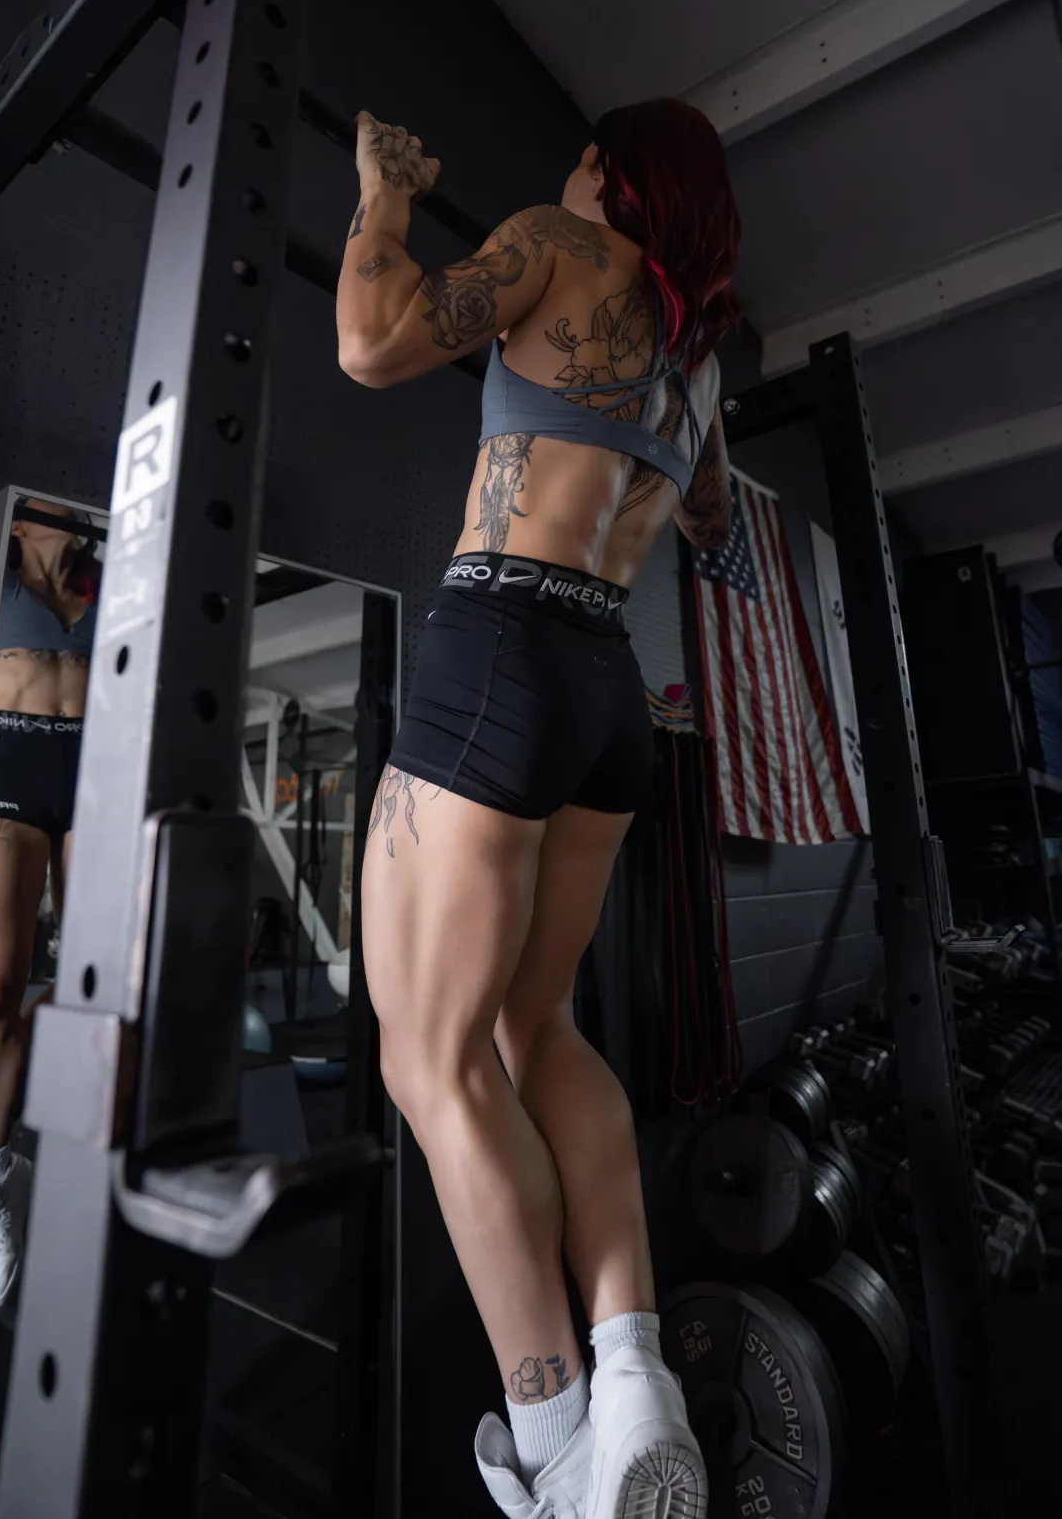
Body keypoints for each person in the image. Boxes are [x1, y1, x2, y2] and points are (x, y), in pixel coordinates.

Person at [336, 99, 739, 1519]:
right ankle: (632, 1374)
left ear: (613, 178)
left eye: (581, 159)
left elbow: (373, 340)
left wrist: (381, 199)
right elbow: (715, 525)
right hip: (607, 694)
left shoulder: (561, 241)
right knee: (535, 1028)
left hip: (500, 646)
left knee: (430, 1059)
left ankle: (562, 1444)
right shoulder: (698, 369)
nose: (562, 174)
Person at [0, 499, 98, 1322]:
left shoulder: (107, 573)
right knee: (0, 980)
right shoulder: (1, 550)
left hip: (96, 767)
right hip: (9, 761)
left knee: (98, 986)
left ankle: (70, 1157)